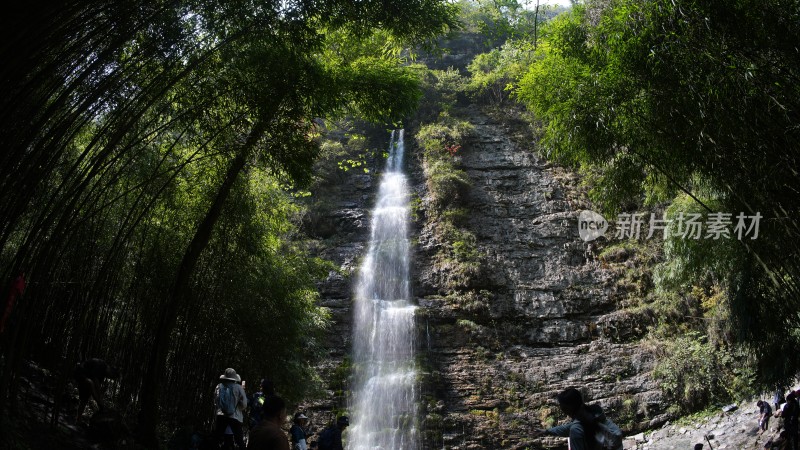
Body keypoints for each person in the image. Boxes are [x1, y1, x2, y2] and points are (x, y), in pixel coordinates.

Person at [534, 387, 623, 450]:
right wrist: (547, 431)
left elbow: (573, 428)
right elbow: (567, 428)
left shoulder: (576, 429)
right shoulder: (596, 415)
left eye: (562, 406)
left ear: (567, 408)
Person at [73, 358, 120, 422]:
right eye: (111, 376)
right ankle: (100, 406)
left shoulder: (103, 375)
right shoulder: (101, 365)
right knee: (90, 383)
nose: (109, 377)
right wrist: (99, 401)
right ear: (111, 370)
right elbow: (96, 383)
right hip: (80, 373)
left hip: (86, 377)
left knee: (85, 399)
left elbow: (97, 388)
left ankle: (78, 419)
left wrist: (99, 398)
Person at [214, 368, 248, 449]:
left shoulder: (219, 386)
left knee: (216, 438)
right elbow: (244, 404)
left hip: (221, 415)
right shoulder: (238, 388)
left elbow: (216, 401)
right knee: (239, 440)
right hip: (235, 417)